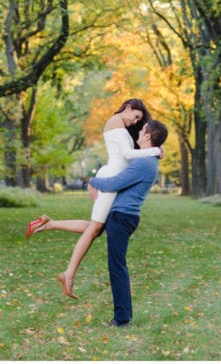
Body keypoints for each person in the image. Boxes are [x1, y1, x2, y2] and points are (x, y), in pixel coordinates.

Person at [25, 99, 157, 299]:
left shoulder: (120, 126)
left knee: (95, 228)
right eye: (135, 116)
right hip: (110, 181)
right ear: (127, 108)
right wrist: (156, 150)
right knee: (95, 228)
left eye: (139, 120)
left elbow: (125, 157)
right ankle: (68, 273)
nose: (135, 121)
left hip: (110, 177)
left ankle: (48, 224)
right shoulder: (115, 122)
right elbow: (128, 154)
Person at [89, 118, 168, 327]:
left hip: (122, 217)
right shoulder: (148, 159)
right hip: (124, 216)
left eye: (141, 131)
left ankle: (122, 318)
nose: (138, 133)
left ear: (148, 136)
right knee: (117, 265)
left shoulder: (144, 162)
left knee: (117, 266)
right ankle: (123, 316)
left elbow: (115, 183)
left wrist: (92, 181)